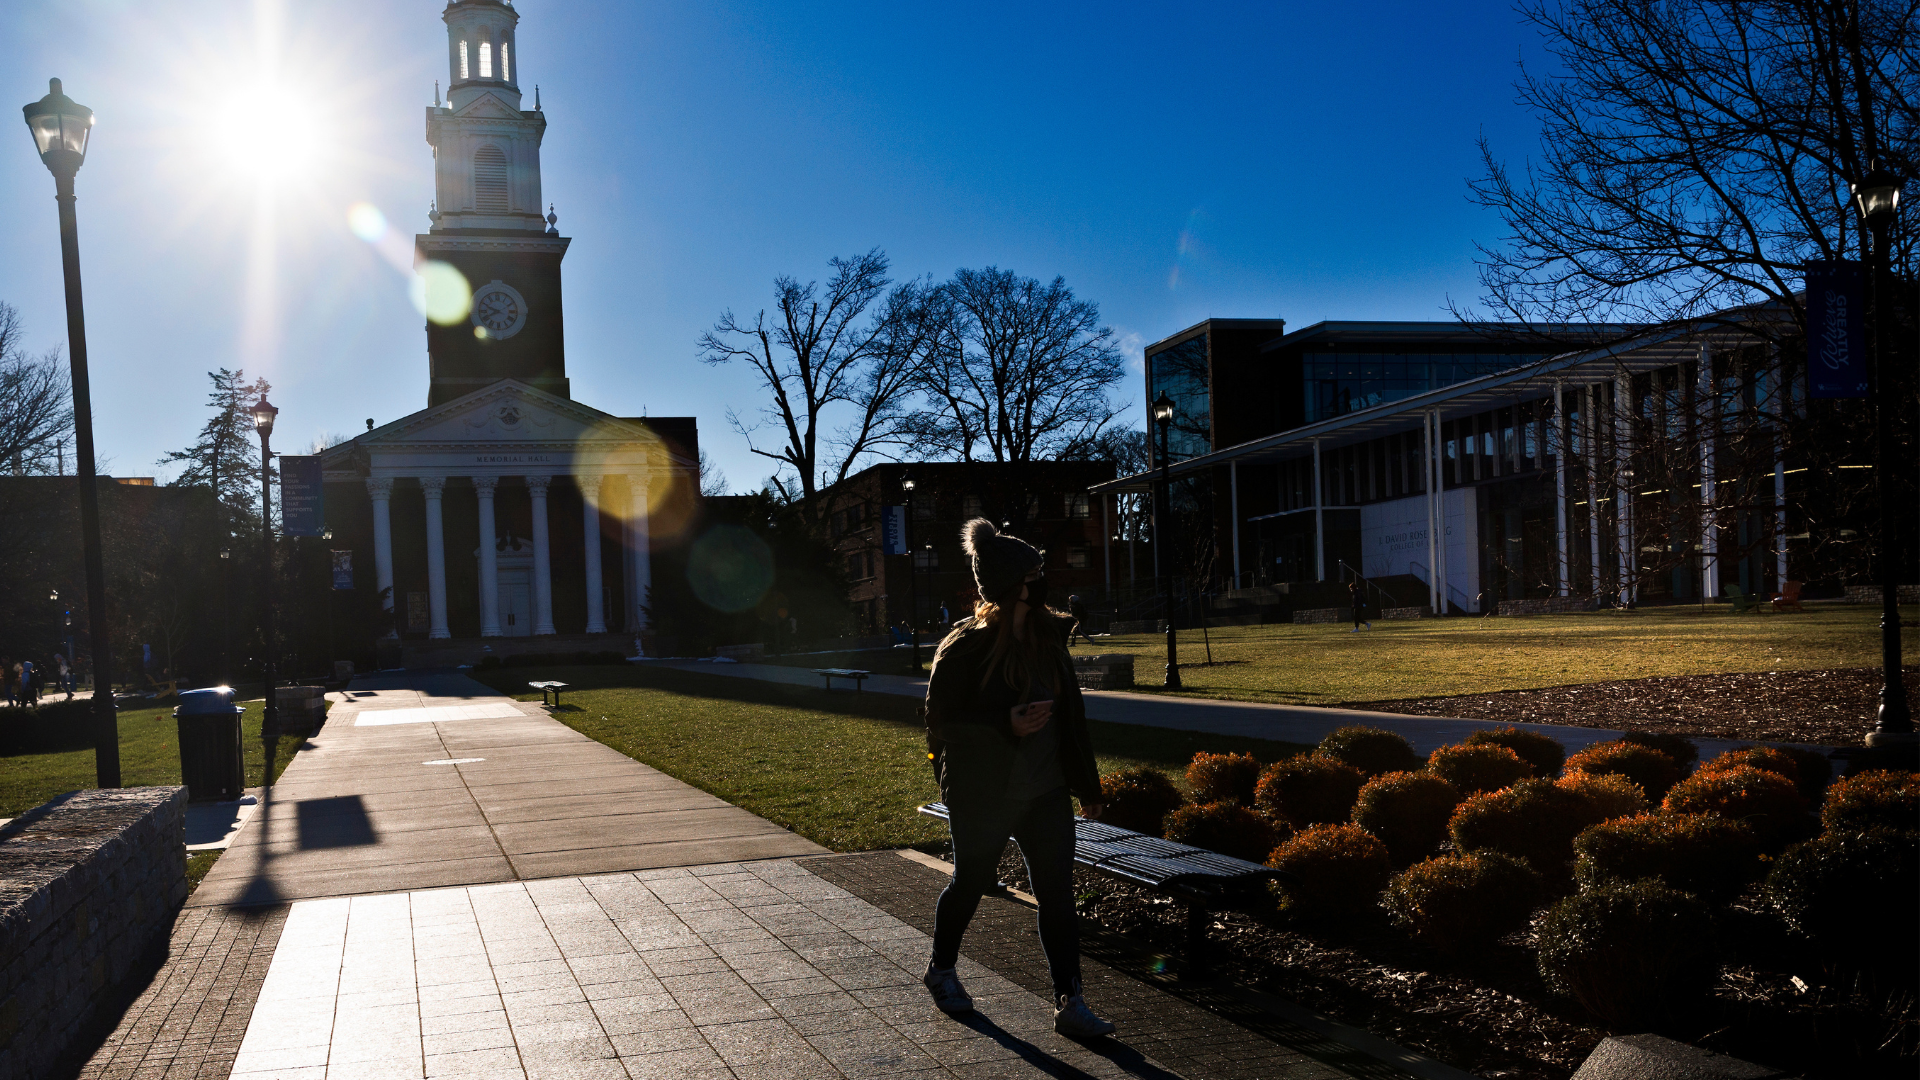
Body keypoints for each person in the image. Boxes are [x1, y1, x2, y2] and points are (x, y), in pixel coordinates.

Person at [919, 518, 1115, 1038]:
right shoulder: (963, 647)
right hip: (983, 791)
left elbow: (1071, 717)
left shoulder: (1050, 639)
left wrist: (1088, 787)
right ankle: (941, 969)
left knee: (1057, 896)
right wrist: (1003, 724)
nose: (1043, 579)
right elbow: (940, 725)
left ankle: (1070, 1002)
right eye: (1035, 572)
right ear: (1011, 584)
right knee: (969, 883)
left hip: (1045, 790)